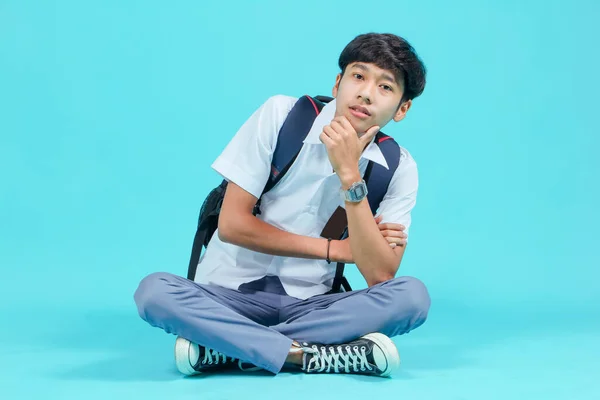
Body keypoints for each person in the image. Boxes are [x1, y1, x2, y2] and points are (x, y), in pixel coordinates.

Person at [134, 32, 430, 378]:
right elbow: (232, 225)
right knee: (155, 292)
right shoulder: (281, 116)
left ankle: (226, 348)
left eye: (386, 87)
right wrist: (337, 249)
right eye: (358, 76)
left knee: (412, 298)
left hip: (313, 307)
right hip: (226, 296)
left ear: (402, 108)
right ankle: (308, 355)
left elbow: (380, 275)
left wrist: (351, 176)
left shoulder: (398, 167)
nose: (365, 92)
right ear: (338, 83)